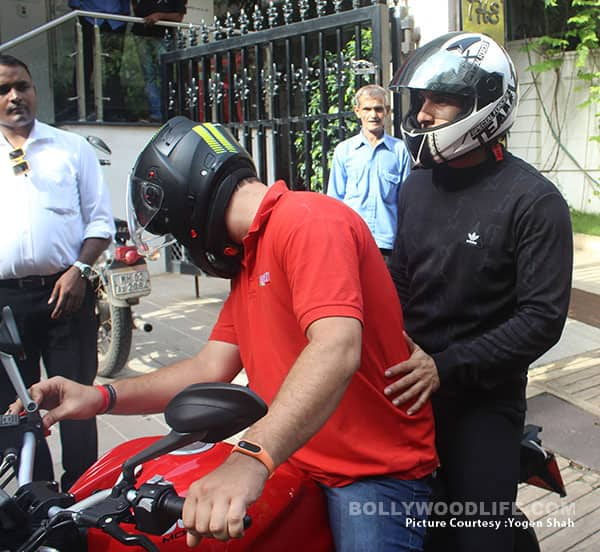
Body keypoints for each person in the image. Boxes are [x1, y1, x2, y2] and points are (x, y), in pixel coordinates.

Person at [13, 117, 438, 551]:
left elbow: (335, 347)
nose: (187, 246)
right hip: (297, 460)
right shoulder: (252, 256)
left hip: (369, 474)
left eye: (176, 232)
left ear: (189, 208)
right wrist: (100, 398)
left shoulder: (309, 220)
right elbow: (209, 367)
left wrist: (251, 457)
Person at [384, 32, 573, 552]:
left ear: (482, 105)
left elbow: (541, 319)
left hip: (484, 402)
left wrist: (443, 366)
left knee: (475, 536)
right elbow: (401, 279)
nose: (422, 115)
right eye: (421, 100)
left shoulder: (535, 203)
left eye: (438, 100)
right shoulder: (416, 185)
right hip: (408, 389)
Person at [0, 55, 113, 491]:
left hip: (69, 294)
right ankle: (39, 494)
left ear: (35, 90)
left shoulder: (72, 149)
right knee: (19, 406)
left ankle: (83, 492)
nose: (15, 96)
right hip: (7, 303)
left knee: (77, 401)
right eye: (4, 89)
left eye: (23, 86)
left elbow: (100, 223)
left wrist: (81, 271)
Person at [327, 84, 411, 262]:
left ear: (387, 111)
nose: (373, 115)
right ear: (357, 111)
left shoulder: (399, 150)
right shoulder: (344, 151)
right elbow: (335, 200)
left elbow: (405, 202)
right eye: (367, 109)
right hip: (352, 242)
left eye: (378, 109)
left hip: (387, 244)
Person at [68, 0, 130, 121]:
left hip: (115, 22)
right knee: (85, 63)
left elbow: (125, 6)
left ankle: (113, 109)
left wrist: (124, 16)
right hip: (89, 19)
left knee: (113, 67)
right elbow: (74, 4)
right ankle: (80, 108)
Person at [131, 0, 187, 123]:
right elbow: (136, 7)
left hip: (163, 36)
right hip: (141, 33)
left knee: (165, 75)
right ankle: (156, 113)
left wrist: (159, 15)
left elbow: (179, 16)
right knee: (148, 75)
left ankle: (168, 113)